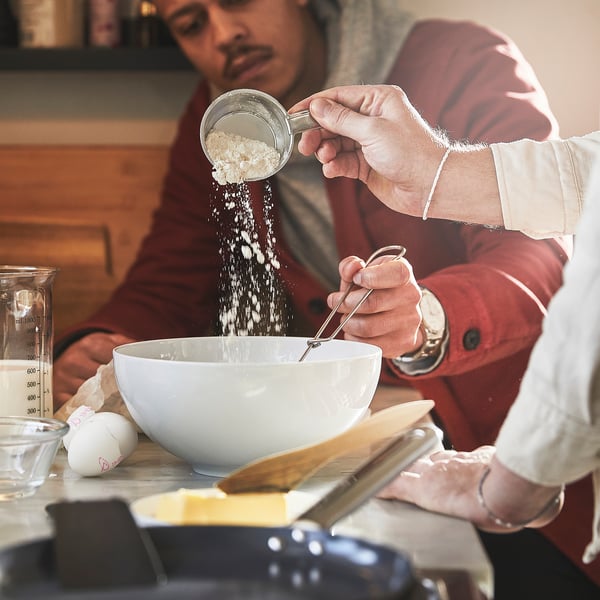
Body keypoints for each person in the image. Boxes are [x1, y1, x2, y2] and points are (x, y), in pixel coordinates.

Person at [53, 1, 573, 596]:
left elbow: (538, 257)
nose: (225, 34)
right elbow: (169, 281)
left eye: (237, 0)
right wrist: (98, 344)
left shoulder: (460, 62)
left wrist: (426, 316)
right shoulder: (223, 123)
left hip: (512, 456)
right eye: (191, 24)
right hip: (344, 455)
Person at [293, 83, 600, 596]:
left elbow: (551, 268)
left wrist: (510, 485)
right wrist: (438, 173)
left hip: (554, 502)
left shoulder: (464, 60)